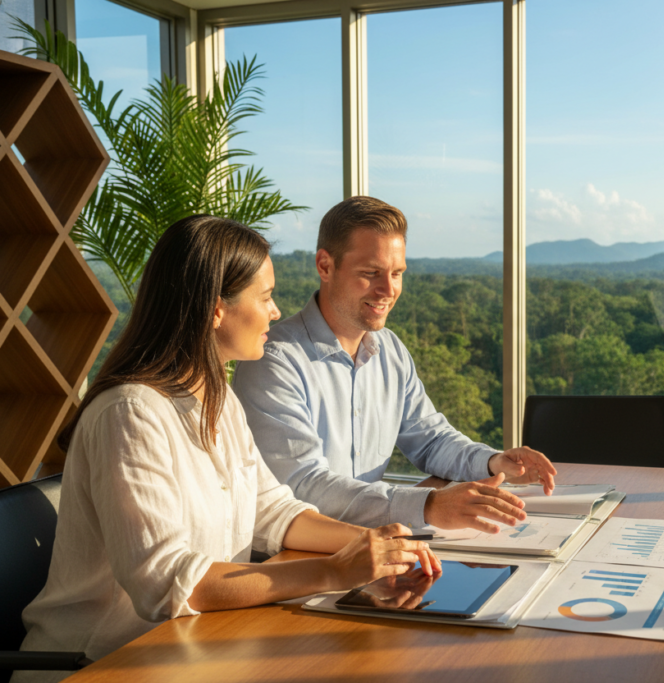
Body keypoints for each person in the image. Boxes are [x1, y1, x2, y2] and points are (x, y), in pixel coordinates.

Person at [15, 216, 439, 683]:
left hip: (193, 652)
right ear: (217, 309)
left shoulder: (217, 400)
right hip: (101, 664)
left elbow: (272, 510)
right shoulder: (130, 413)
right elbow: (163, 582)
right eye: (265, 297)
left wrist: (373, 546)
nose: (276, 312)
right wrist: (332, 573)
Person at [233, 196, 558, 533]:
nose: (388, 289)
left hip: (371, 546)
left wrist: (492, 462)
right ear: (325, 266)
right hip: (296, 560)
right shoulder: (274, 362)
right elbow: (303, 487)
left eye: (397, 273)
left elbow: (431, 440)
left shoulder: (389, 350)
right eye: (371, 273)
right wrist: (428, 505)